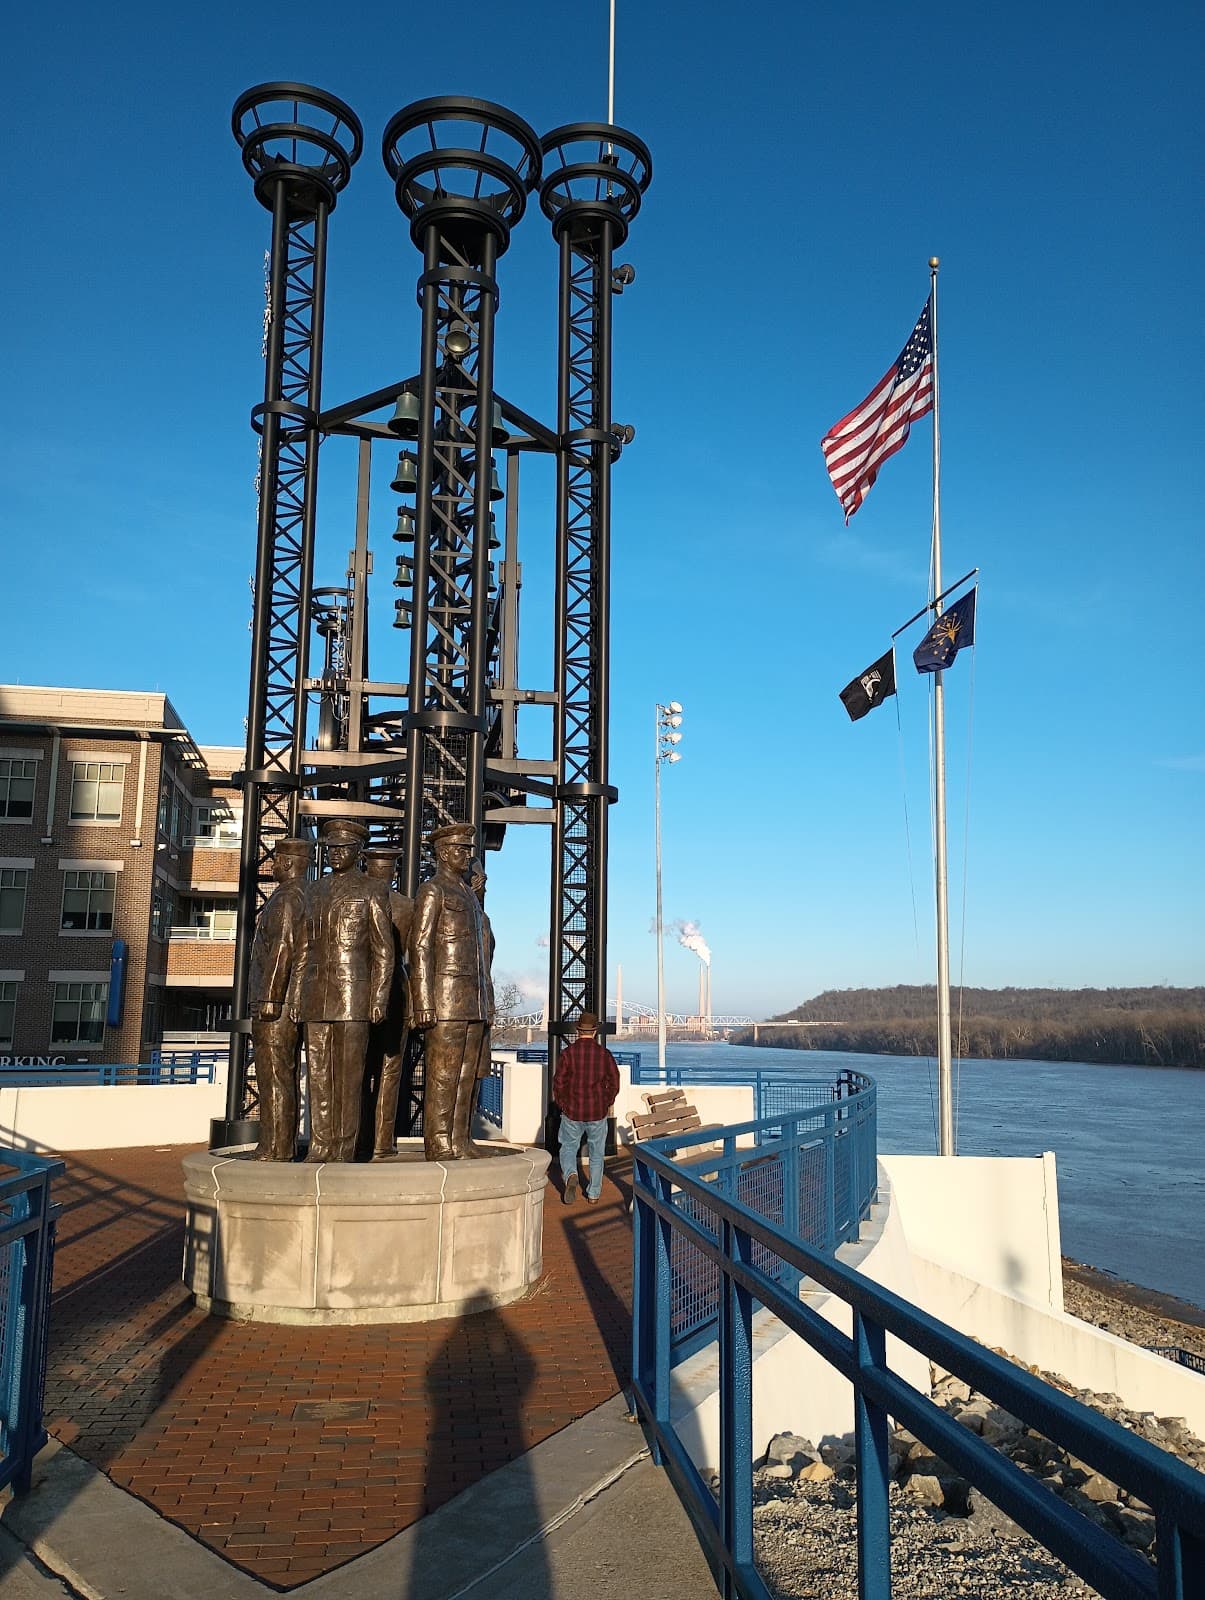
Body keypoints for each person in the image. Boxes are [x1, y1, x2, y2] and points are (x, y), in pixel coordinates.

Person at [291, 818, 393, 1163]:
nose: (336, 854)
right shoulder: (313, 890)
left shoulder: (372, 890)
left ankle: (344, 1148)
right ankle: (321, 1145)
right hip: (314, 994)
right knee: (318, 1075)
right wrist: (295, 994)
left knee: (350, 1078)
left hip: (354, 995)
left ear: (358, 852)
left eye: (343, 849)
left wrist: (379, 997)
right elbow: (304, 947)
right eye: (331, 849)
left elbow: (384, 951)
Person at [408, 823, 494, 1160]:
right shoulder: (433, 891)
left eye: (469, 849)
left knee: (465, 1077)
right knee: (443, 1077)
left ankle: (459, 1139)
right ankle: (439, 1142)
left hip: (472, 1001)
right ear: (444, 853)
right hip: (445, 1000)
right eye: (461, 849)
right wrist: (423, 1001)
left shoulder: (470, 898)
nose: (467, 855)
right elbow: (420, 946)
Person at [248, 836, 312, 1161]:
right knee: (278, 1075)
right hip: (284, 1002)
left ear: (287, 862)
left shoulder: (288, 897)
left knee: (274, 1075)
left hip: (277, 1004)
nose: (272, 866)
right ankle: (276, 1144)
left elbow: (283, 948)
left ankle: (276, 1148)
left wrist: (270, 997)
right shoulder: (300, 895)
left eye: (275, 860)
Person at [360, 847, 414, 1160]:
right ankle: (382, 1140)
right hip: (396, 993)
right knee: (389, 1073)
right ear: (393, 872)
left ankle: (360, 1138)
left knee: (356, 1072)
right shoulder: (406, 906)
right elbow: (416, 958)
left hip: (357, 995)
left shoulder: (357, 900)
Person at [552, 1010, 619, 1204]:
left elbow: (558, 1083)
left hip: (572, 1111)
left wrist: (564, 1104)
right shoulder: (604, 1055)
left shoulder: (568, 1054)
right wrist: (605, 1102)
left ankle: (571, 1175)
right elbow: (614, 1082)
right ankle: (593, 1194)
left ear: (577, 1030)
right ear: (595, 1031)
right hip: (597, 1112)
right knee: (597, 1153)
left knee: (567, 1148)